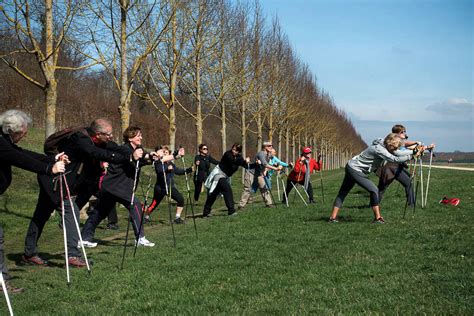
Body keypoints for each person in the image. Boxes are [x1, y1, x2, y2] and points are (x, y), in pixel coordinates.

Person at [23, 118, 129, 267]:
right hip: (55, 179)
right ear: (98, 134)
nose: (111, 137)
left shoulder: (97, 139)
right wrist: (123, 159)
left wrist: (131, 152)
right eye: (109, 135)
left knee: (41, 214)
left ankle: (29, 253)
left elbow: (114, 148)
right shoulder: (79, 139)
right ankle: (72, 255)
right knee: (71, 213)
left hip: (58, 179)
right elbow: (94, 152)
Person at [0, 109, 65, 293]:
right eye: (23, 131)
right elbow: (21, 160)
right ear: (13, 130)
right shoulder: (1, 144)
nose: (25, 134)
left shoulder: (6, 142)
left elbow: (25, 154)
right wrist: (49, 169)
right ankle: (2, 282)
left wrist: (51, 159)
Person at [81, 126, 157, 247]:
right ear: (130, 138)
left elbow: (144, 156)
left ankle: (84, 238)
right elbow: (131, 156)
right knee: (135, 205)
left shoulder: (138, 149)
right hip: (115, 186)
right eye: (138, 135)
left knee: (100, 212)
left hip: (116, 188)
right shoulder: (123, 149)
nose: (141, 137)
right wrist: (140, 156)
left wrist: (152, 156)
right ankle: (140, 238)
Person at [328, 133, 424, 224]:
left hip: (351, 166)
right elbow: (395, 158)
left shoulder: (385, 144)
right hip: (355, 169)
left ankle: (332, 218)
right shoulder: (379, 149)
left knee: (343, 192)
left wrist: (413, 151)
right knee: (374, 190)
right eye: (394, 147)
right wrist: (411, 156)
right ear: (390, 144)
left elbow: (397, 153)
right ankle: (378, 218)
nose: (395, 149)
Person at [377, 124, 435, 206]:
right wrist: (419, 148)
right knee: (382, 188)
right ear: (396, 134)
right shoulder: (393, 142)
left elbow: (409, 146)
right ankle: (373, 204)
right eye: (402, 132)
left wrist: (427, 147)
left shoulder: (400, 142)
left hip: (397, 168)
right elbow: (406, 147)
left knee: (408, 183)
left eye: (404, 131)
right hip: (389, 168)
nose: (404, 133)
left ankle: (411, 204)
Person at [203, 143, 250, 217]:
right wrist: (244, 162)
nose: (233, 151)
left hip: (225, 177)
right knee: (227, 189)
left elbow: (246, 166)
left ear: (239, 152)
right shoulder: (227, 154)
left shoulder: (239, 158)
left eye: (236, 150)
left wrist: (256, 164)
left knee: (214, 194)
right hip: (218, 174)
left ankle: (206, 211)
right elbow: (233, 161)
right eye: (233, 149)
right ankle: (231, 211)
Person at [146, 146, 190, 224]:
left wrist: (189, 169)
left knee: (180, 199)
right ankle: (146, 217)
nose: (164, 153)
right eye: (163, 152)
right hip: (160, 187)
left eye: (166, 152)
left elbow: (178, 171)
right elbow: (159, 170)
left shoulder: (170, 164)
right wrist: (167, 169)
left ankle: (177, 217)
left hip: (169, 186)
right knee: (154, 203)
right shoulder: (157, 162)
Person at [238, 141, 281, 209]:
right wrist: (275, 168)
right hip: (250, 172)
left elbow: (273, 160)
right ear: (265, 147)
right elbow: (265, 164)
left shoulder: (268, 154)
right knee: (247, 189)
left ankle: (269, 204)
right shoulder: (261, 153)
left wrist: (277, 164)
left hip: (259, 173)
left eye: (271, 145)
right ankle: (241, 205)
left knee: (264, 187)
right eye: (269, 145)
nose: (271, 147)